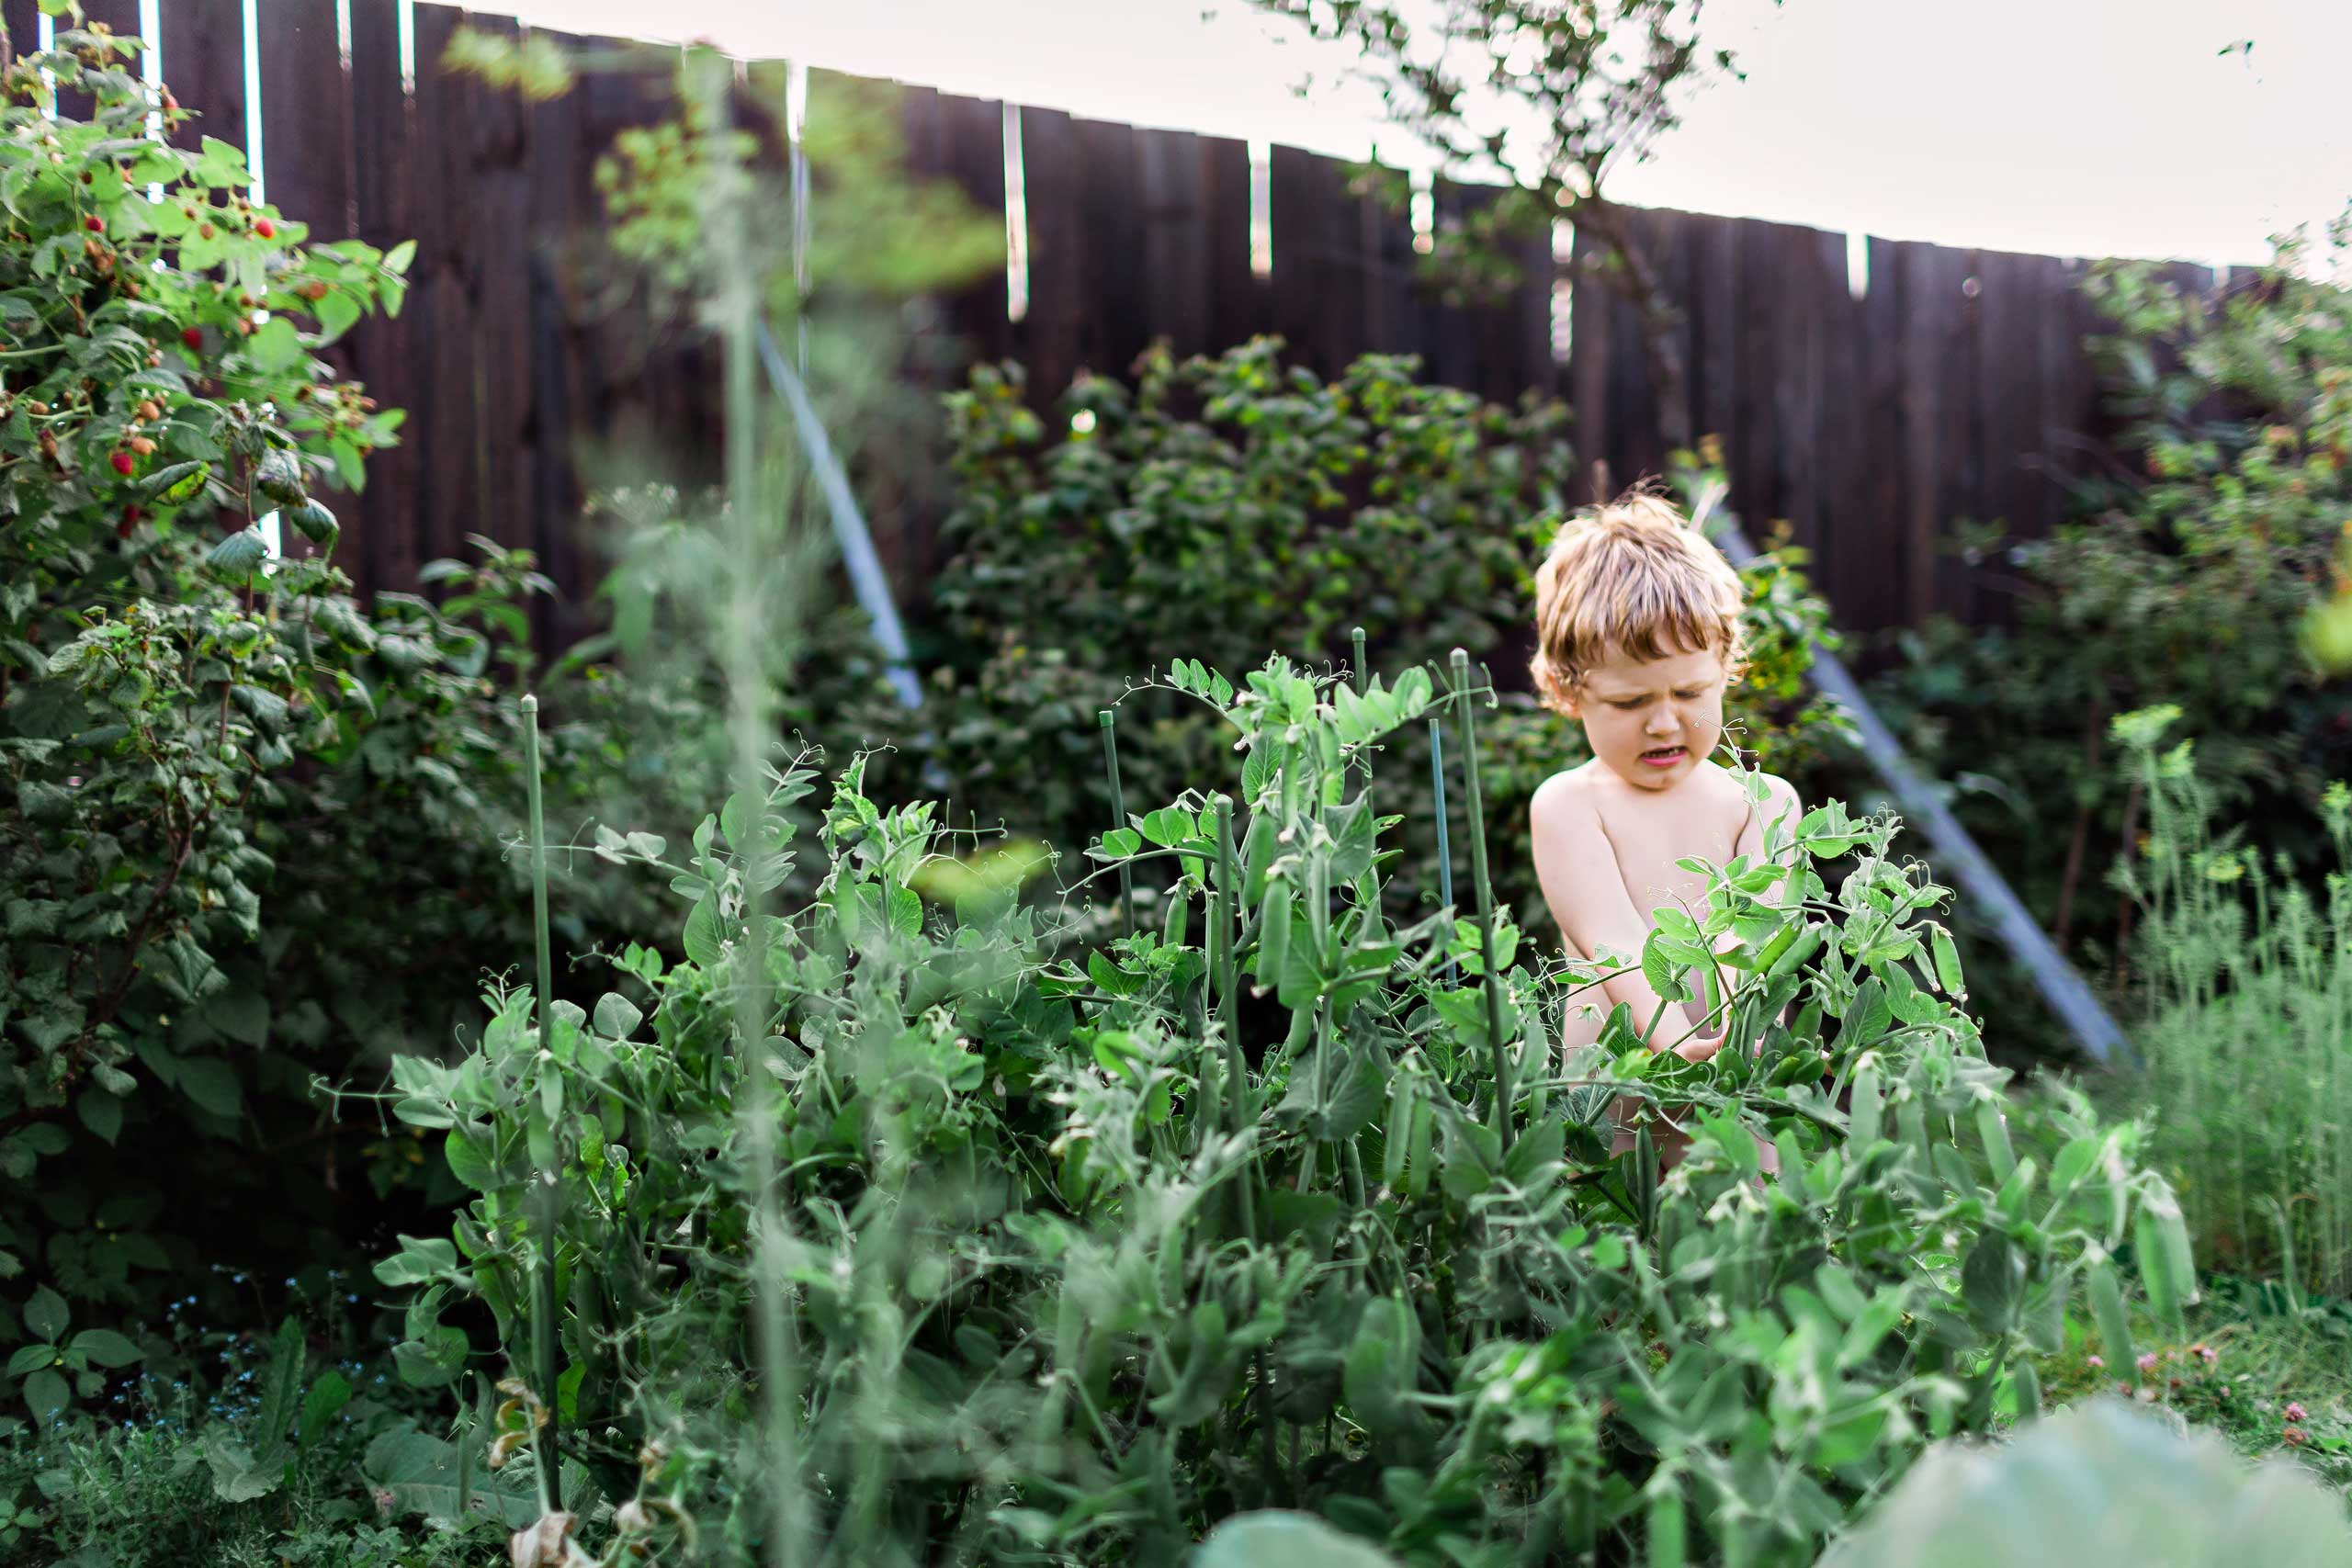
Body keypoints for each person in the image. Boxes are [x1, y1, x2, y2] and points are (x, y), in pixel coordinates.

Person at [1525, 483, 1802, 1168]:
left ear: (1727, 668)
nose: (1664, 721)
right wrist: (1675, 1044)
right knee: (1621, 1251)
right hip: (1613, 1109)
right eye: (1630, 700)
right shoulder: (1569, 805)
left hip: (1735, 1096)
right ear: (1568, 689)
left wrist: (1727, 1040)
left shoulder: (1763, 803)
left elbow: (1753, 931)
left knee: (1749, 1243)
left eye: (1688, 692)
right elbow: (1613, 937)